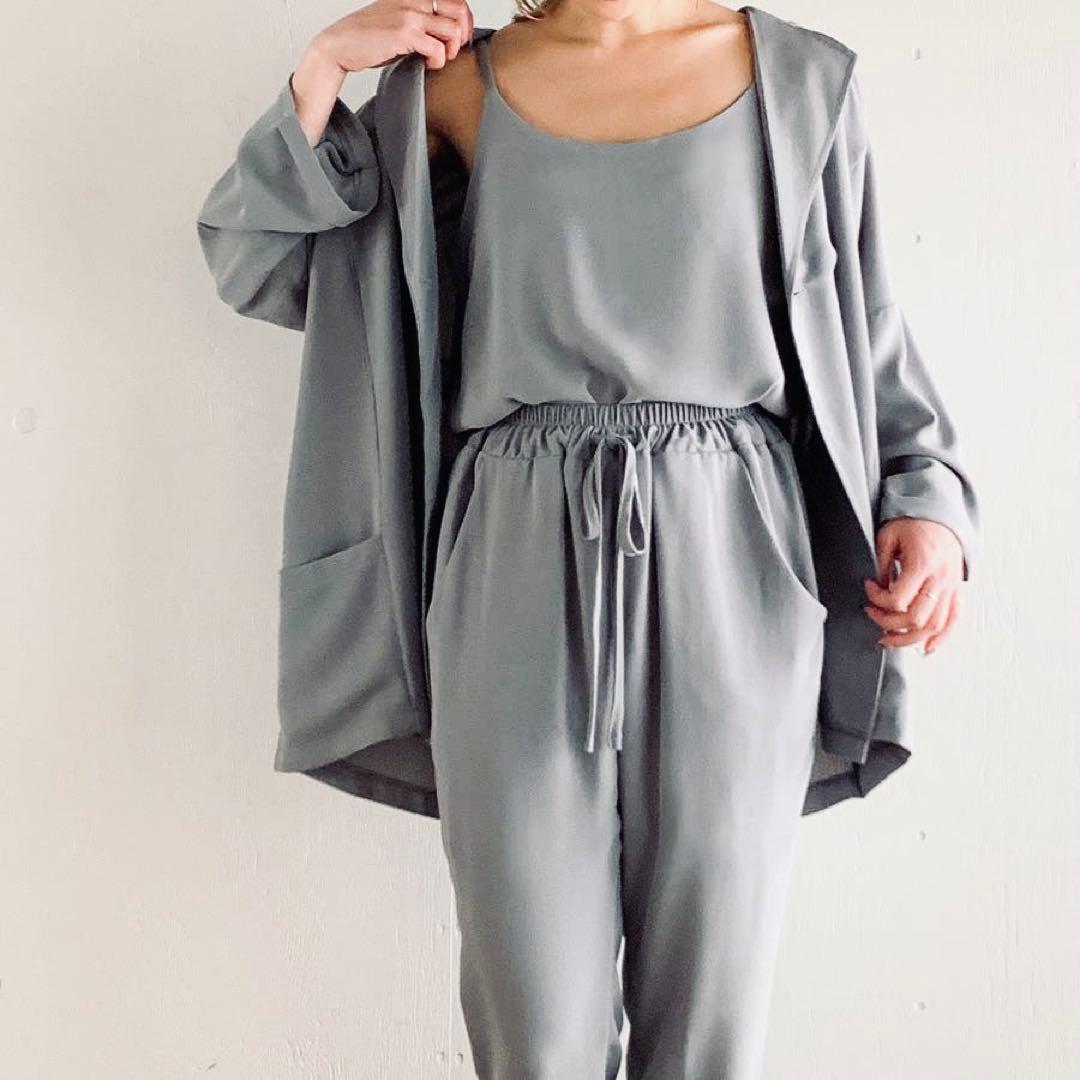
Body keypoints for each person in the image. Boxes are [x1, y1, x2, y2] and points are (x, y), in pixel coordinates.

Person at [198, 2, 980, 1076]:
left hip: (736, 555)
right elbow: (264, 264)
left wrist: (926, 502)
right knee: (536, 1029)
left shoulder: (802, 83)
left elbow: (865, 326)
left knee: (709, 1022)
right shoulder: (456, 86)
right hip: (511, 555)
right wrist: (325, 71)